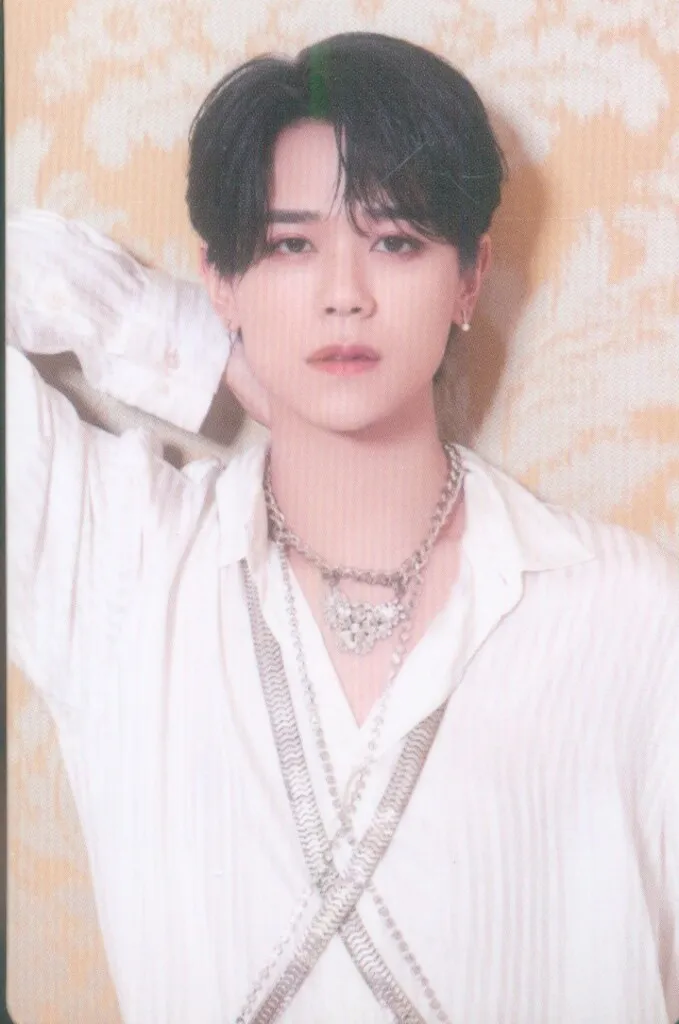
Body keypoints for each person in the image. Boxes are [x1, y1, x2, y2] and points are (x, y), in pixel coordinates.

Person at [6, 30, 679, 1024]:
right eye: (291, 245)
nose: (344, 294)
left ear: (469, 277)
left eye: (395, 241)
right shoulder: (121, 573)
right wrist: (197, 348)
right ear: (221, 276)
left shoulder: (626, 615)